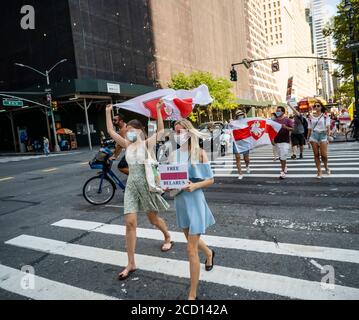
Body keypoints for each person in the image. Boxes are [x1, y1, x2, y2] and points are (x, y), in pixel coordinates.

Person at [105, 102, 173, 281]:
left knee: (153, 219)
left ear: (139, 130)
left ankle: (167, 236)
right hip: (131, 187)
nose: (127, 132)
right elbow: (111, 132)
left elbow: (160, 131)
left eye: (130, 129)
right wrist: (107, 112)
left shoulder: (147, 144)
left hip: (146, 185)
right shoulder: (127, 144)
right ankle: (131, 263)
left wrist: (158, 111)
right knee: (129, 222)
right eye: (127, 130)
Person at [167, 119, 215, 301]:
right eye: (175, 132)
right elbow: (169, 180)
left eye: (181, 131)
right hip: (180, 202)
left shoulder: (200, 153)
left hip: (195, 202)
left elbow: (210, 180)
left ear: (189, 132)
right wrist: (164, 185)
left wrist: (195, 186)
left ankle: (192, 295)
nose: (178, 135)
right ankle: (209, 253)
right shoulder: (173, 155)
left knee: (190, 249)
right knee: (190, 240)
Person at [307, 101, 332, 179]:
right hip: (313, 135)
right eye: (315, 106)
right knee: (316, 155)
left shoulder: (325, 116)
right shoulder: (310, 117)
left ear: (321, 107)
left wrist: (328, 134)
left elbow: (328, 126)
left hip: (323, 135)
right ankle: (319, 171)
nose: (316, 107)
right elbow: (309, 128)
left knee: (324, 155)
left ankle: (326, 166)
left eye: (318, 106)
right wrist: (307, 138)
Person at [274, 106, 293, 179]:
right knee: (281, 157)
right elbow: (271, 130)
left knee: (283, 156)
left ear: (283, 112)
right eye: (277, 110)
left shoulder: (287, 120)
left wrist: (286, 127)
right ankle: (284, 166)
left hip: (285, 141)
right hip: (277, 141)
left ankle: (282, 172)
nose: (277, 112)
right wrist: (272, 139)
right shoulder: (274, 120)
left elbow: (293, 129)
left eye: (279, 111)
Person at [232, 110, 251, 180]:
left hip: (245, 142)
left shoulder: (247, 122)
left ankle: (247, 165)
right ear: (236, 115)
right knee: (237, 157)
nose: (240, 115)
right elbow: (228, 130)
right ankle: (240, 173)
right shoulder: (233, 123)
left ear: (243, 115)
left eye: (241, 114)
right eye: (238, 114)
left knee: (246, 158)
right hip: (236, 142)